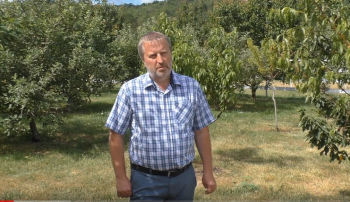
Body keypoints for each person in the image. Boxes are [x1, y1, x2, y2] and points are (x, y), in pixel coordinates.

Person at [105, 31, 216, 201]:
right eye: (153, 55)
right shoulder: (130, 90)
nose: (160, 60)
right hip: (145, 180)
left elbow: (201, 131)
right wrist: (120, 177)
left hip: (184, 179)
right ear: (143, 60)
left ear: (171, 54)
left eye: (164, 53)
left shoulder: (191, 87)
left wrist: (208, 171)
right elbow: (115, 135)